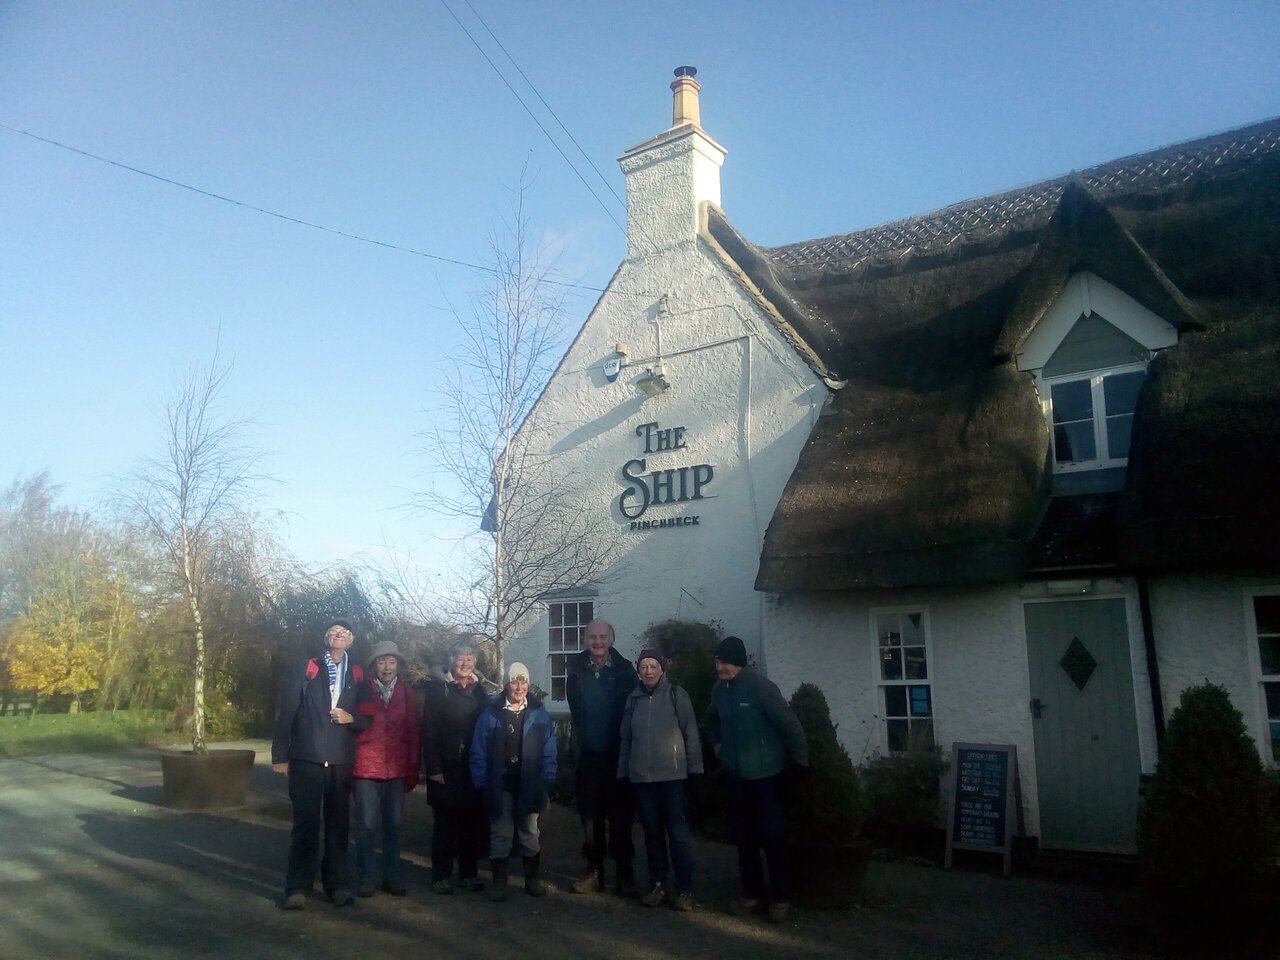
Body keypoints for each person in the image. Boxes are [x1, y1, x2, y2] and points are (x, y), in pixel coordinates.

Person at [707, 635, 809, 923]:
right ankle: (751, 894)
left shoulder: (761, 688)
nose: (719, 667)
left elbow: (789, 724)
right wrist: (718, 748)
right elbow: (712, 720)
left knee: (773, 838)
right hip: (736, 776)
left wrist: (800, 762)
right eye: (717, 662)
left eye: (724, 662)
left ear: (738, 661)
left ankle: (781, 897)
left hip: (766, 777)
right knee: (744, 838)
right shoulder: (719, 690)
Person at [271, 618, 369, 910]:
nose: (339, 635)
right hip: (306, 759)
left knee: (339, 828)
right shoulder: (308, 668)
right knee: (305, 826)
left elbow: (370, 717)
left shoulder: (358, 674)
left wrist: (354, 720)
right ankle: (297, 887)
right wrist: (280, 755)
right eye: (334, 631)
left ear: (351, 640)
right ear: (326, 638)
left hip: (340, 761)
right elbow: (287, 710)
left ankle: (337, 886)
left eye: (345, 633)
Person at [617, 648, 702, 912]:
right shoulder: (633, 699)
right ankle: (658, 884)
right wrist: (623, 772)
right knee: (652, 835)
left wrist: (696, 770)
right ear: (639, 671)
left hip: (673, 777)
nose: (648, 671)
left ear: (662, 669)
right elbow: (626, 740)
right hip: (643, 780)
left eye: (653, 666)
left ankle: (685, 889)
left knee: (677, 834)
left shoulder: (677, 694)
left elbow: (691, 733)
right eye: (643, 667)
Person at [469, 661, 557, 902]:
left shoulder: (540, 713)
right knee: (501, 833)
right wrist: (481, 781)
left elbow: (549, 749)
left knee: (530, 832)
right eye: (514, 681)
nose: (519, 687)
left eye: (523, 681)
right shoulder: (491, 713)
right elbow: (478, 749)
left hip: (530, 783)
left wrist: (546, 778)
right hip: (500, 784)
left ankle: (532, 880)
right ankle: (499, 881)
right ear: (506, 684)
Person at [565, 618, 638, 896]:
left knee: (621, 817)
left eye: (602, 637)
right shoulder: (575, 670)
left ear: (611, 640)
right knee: (590, 818)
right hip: (589, 757)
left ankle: (624, 875)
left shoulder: (625, 672)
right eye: (592, 637)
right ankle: (594, 872)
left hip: (618, 757)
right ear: (585, 640)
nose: (597, 642)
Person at [421, 638, 491, 894]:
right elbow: (429, 731)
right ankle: (441, 875)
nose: (465, 663)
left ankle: (469, 874)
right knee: (445, 824)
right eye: (460, 658)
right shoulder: (439, 689)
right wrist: (434, 768)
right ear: (451, 661)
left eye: (470, 659)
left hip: (472, 767)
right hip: (445, 767)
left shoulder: (481, 692)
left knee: (471, 823)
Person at [352, 640, 419, 898]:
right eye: (381, 661)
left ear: (398, 665)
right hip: (365, 770)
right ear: (373, 666)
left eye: (392, 661)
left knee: (393, 826)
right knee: (366, 827)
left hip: (396, 770)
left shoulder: (407, 692)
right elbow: (352, 724)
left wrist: (413, 766)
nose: (387, 667)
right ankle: (367, 877)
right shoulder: (362, 690)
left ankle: (392, 876)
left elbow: (413, 730)